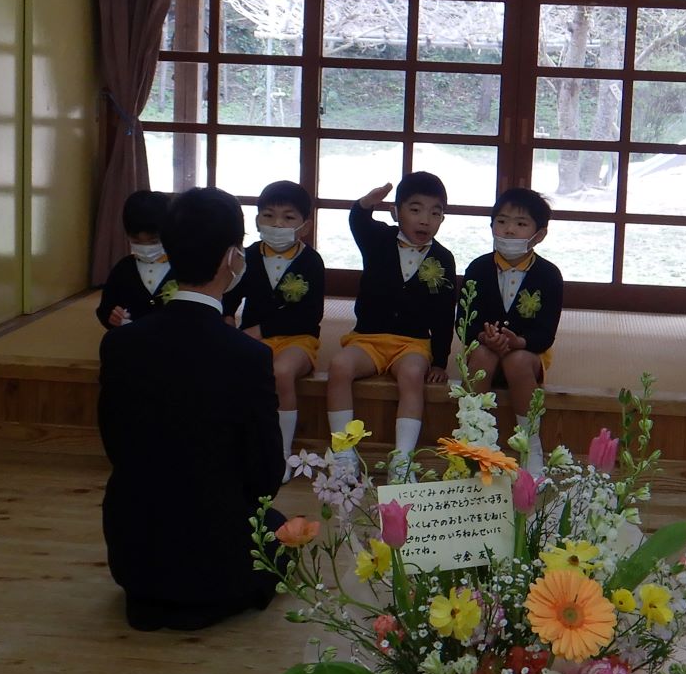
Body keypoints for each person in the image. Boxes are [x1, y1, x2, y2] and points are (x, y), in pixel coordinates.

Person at [97, 187, 285, 631]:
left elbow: (114, 444)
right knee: (280, 529)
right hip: (216, 568)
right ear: (232, 259)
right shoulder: (248, 356)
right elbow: (265, 474)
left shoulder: (121, 345)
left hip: (136, 559)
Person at [325, 172, 460, 478]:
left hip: (412, 343)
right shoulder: (378, 240)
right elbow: (358, 222)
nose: (425, 220)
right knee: (339, 366)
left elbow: (444, 313)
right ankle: (344, 452)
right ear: (396, 212)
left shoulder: (443, 258)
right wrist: (364, 204)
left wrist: (440, 360)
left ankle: (401, 460)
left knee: (412, 374)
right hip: (367, 339)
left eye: (435, 213)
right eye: (415, 209)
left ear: (442, 218)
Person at [228, 178, 327, 457]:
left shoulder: (311, 261)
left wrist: (260, 330)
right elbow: (228, 299)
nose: (277, 224)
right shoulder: (247, 257)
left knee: (281, 371)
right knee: (231, 371)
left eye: (288, 217)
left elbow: (310, 316)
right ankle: (241, 444)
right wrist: (227, 322)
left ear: (305, 226)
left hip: (298, 341)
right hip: (251, 340)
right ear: (257, 220)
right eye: (269, 216)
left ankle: (280, 452)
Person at [459, 186, 564, 451]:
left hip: (526, 357)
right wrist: (484, 337)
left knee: (517, 360)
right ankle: (474, 441)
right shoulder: (477, 268)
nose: (509, 230)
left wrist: (518, 342)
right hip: (485, 351)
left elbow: (545, 334)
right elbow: (464, 321)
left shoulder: (549, 275)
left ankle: (531, 444)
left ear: (540, 235)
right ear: (491, 225)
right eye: (502, 221)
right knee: (482, 356)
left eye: (521, 224)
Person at [95, 189, 172, 328]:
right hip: (131, 338)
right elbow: (105, 309)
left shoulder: (181, 267)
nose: (145, 247)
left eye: (153, 241)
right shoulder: (123, 269)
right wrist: (112, 317)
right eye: (136, 241)